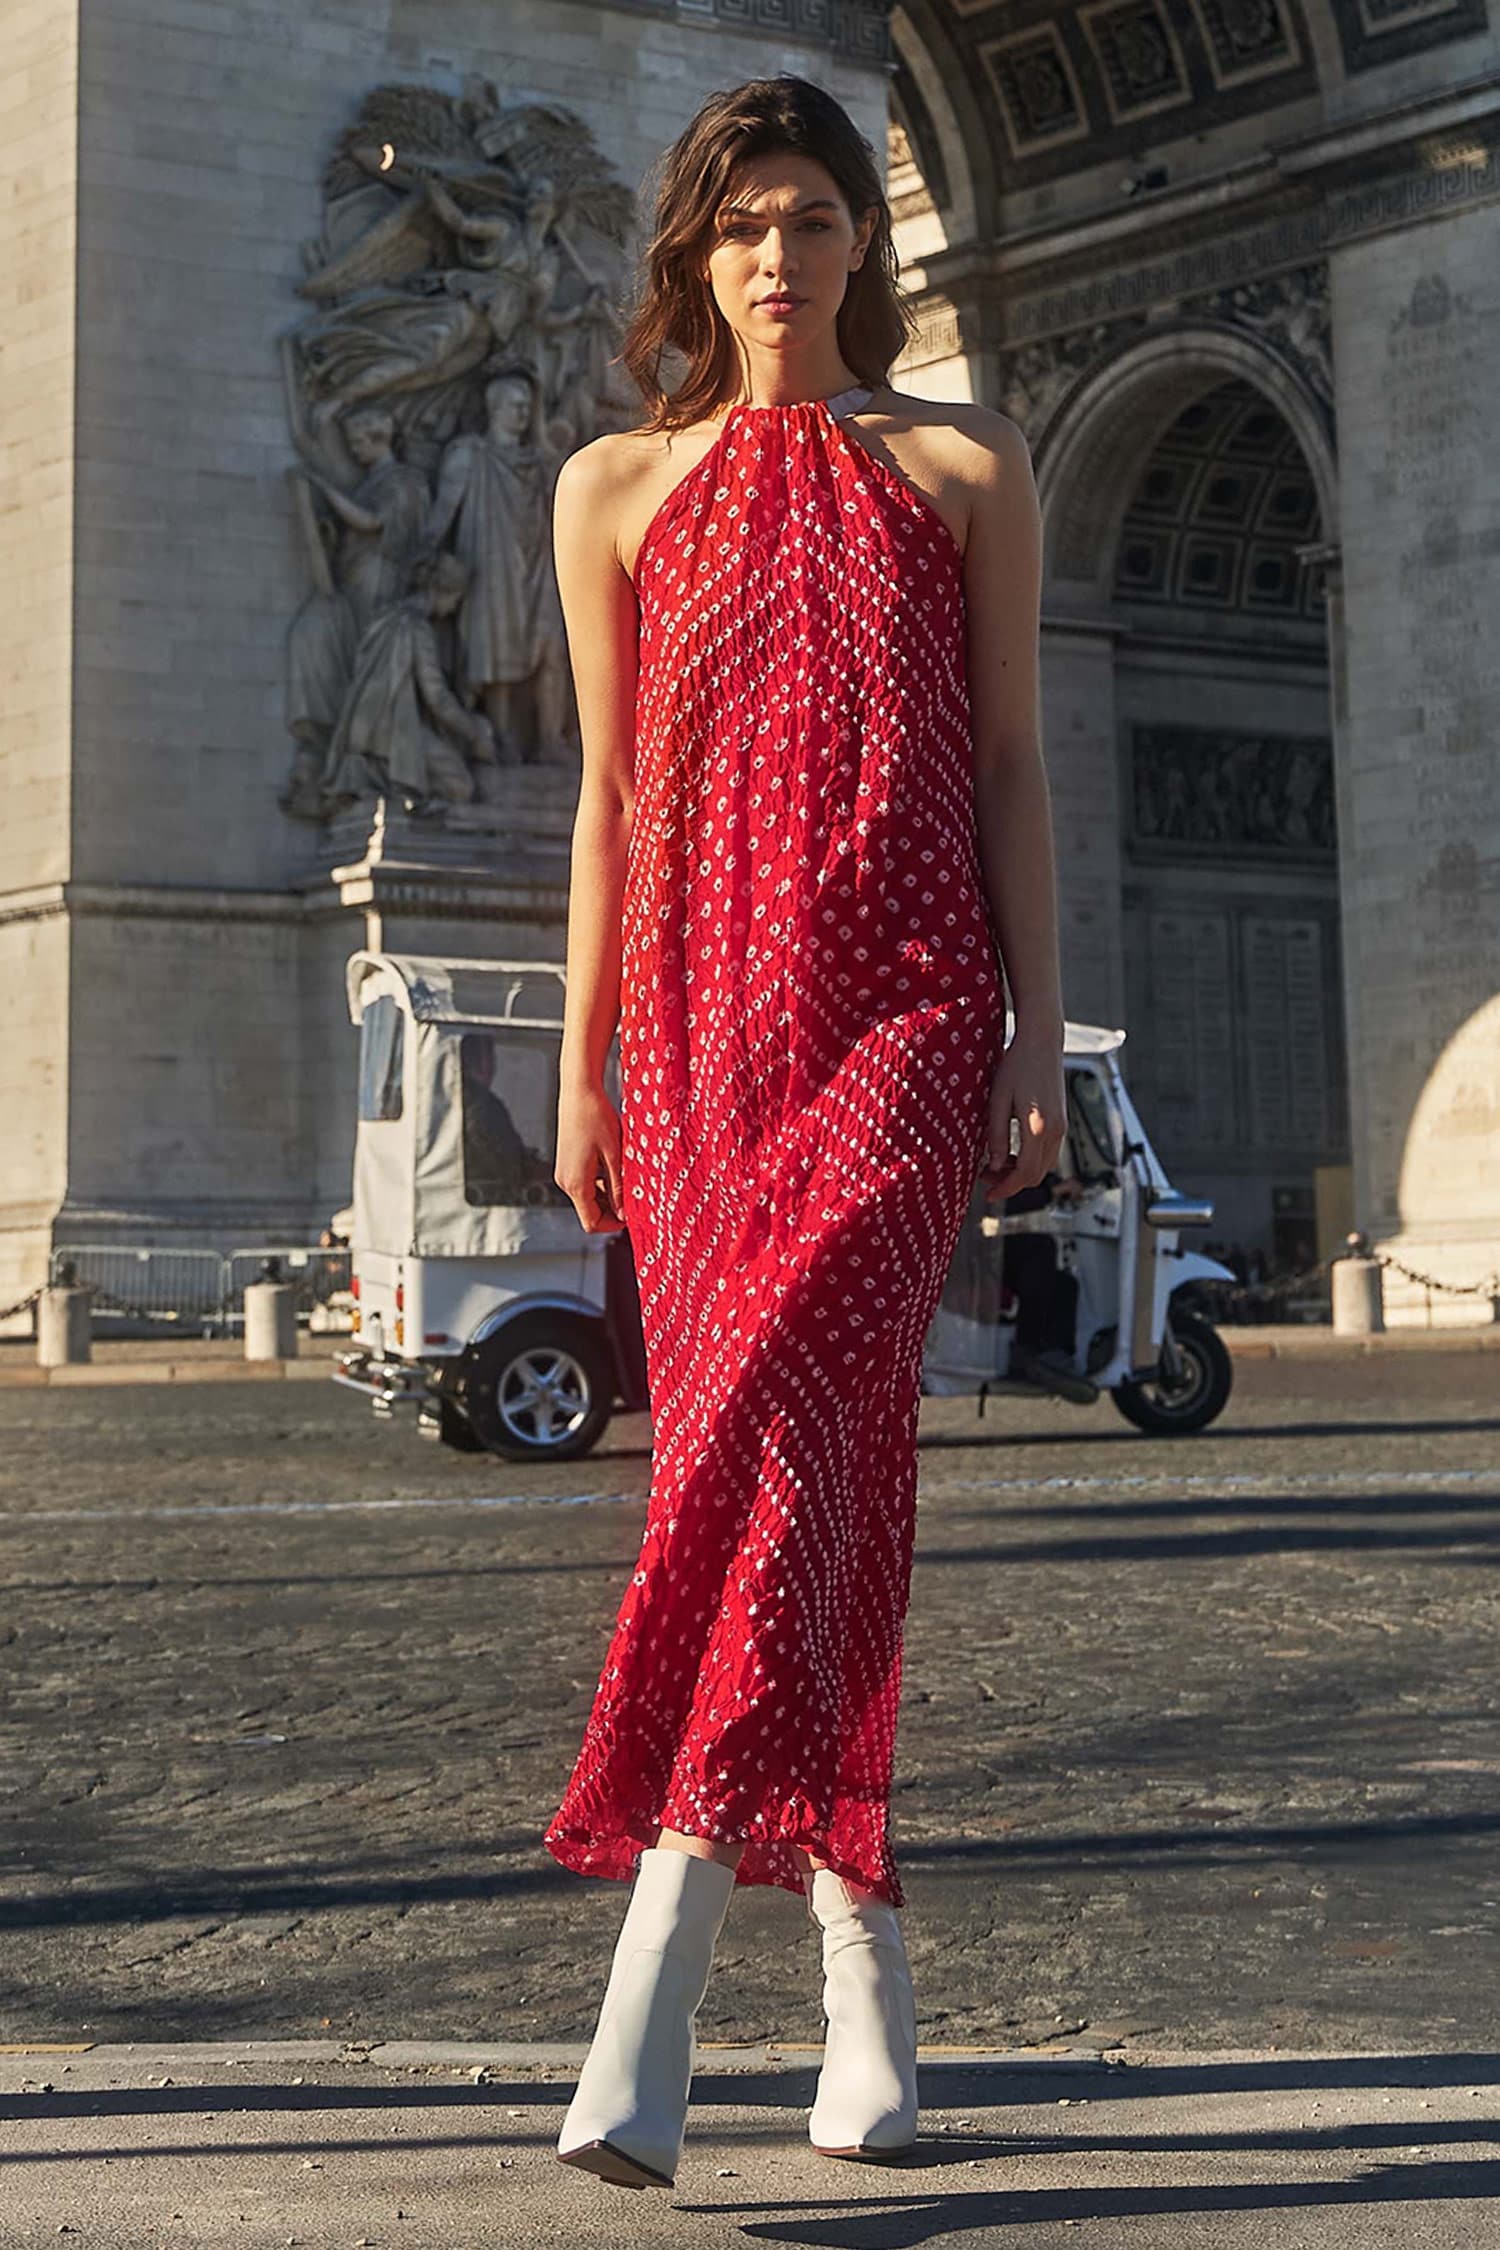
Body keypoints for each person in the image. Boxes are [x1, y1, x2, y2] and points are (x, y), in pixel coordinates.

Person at [544, 75, 1065, 2192]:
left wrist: (1034, 1032)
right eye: (746, 222)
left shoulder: (963, 464)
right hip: (684, 1042)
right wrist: (580, 1064)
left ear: (869, 246)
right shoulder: (609, 489)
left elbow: (1018, 762)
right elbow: (606, 798)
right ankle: (865, 1978)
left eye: (818, 220)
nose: (782, 256)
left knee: (762, 1414)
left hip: (906, 1016)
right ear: (697, 252)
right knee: (796, 1464)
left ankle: (655, 1980)